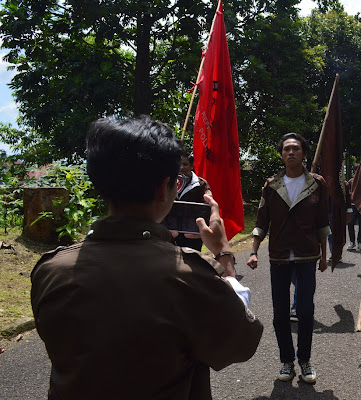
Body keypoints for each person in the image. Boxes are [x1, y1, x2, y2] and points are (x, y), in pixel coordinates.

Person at [30, 116, 263, 399]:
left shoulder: (50, 270)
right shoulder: (189, 275)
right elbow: (241, 343)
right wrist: (224, 258)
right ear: (163, 187)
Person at [247, 133, 330, 384]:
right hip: (279, 256)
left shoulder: (317, 184)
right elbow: (262, 220)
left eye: (295, 149)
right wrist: (253, 250)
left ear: (304, 153)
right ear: (282, 154)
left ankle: (304, 360)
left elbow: (322, 223)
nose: (291, 153)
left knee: (305, 311)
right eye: (286, 149)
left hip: (307, 255)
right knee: (280, 313)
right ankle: (286, 361)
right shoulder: (271, 185)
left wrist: (324, 257)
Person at [171, 150, 211, 250]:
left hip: (192, 233)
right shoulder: (169, 182)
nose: (181, 167)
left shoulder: (201, 184)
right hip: (172, 232)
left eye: (185, 164)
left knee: (192, 261)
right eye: (179, 164)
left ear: (192, 166)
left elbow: (207, 206)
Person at [345, 176, 361, 251]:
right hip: (353, 205)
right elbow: (347, 192)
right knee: (350, 223)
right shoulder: (351, 181)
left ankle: (360, 242)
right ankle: (352, 242)